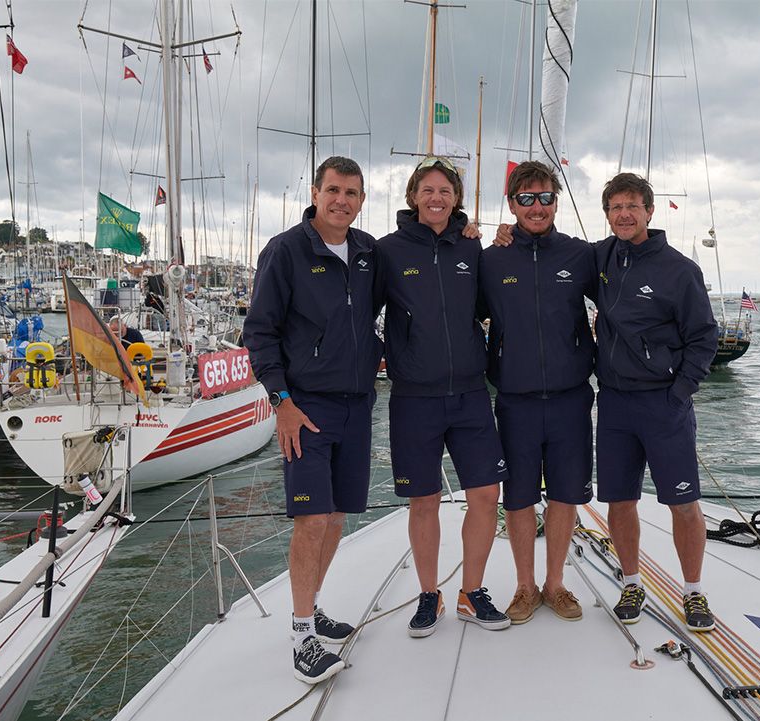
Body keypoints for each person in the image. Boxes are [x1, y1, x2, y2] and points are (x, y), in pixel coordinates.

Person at [242, 156, 383, 685]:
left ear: (362, 199)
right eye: (333, 190)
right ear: (315, 192)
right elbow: (259, 333)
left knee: (339, 515)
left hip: (357, 404)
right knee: (311, 520)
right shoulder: (286, 251)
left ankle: (314, 605)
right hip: (306, 407)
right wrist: (281, 401)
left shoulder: (369, 252)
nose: (341, 200)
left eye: (351, 192)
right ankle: (302, 635)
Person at [373, 156, 511, 638]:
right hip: (413, 398)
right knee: (424, 501)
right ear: (413, 196)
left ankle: (471, 593)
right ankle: (429, 593)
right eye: (428, 190)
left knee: (485, 495)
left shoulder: (472, 249)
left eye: (445, 192)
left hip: (472, 393)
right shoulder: (387, 251)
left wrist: (502, 239)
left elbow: (495, 303)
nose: (436, 198)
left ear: (457, 199)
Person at [593, 172, 719, 631]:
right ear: (606, 214)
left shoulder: (679, 269)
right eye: (615, 207)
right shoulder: (601, 258)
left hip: (665, 404)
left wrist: (680, 391)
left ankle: (694, 592)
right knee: (620, 501)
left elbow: (704, 337)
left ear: (648, 210)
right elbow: (550, 257)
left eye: (632, 205)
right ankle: (632, 581)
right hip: (614, 405)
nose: (624, 214)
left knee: (683, 504)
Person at [479, 161, 597, 624]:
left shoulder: (580, 255)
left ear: (556, 201)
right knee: (520, 497)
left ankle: (555, 584)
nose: (536, 207)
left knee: (566, 494)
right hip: (515, 399)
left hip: (570, 396)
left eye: (545, 197)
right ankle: (525, 587)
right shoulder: (493, 260)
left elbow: (623, 294)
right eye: (526, 199)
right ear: (511, 205)